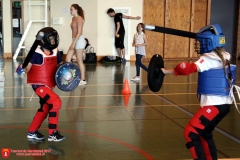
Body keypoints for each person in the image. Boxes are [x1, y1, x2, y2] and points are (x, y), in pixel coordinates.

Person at [160, 24, 236, 160]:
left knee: (191, 133)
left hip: (213, 106)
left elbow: (187, 69)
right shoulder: (225, 56)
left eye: (201, 42)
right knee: (204, 133)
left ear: (209, 42)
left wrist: (179, 66)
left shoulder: (208, 59)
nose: (199, 45)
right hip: (224, 106)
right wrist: (166, 72)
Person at [16, 27, 65, 142]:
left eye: (54, 38)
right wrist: (22, 68)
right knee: (55, 102)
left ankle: (32, 132)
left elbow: (60, 64)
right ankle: (53, 133)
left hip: (49, 84)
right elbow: (27, 67)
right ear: (43, 40)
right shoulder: (35, 53)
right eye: (51, 39)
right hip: (39, 85)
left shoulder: (55, 50)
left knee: (45, 107)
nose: (53, 41)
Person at [66, 4, 86, 85]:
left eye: (71, 9)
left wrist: (74, 43)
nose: (70, 11)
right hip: (74, 39)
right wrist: (73, 41)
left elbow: (79, 32)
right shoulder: (73, 18)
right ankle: (72, 77)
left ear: (76, 10)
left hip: (79, 40)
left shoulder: (79, 18)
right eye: (70, 9)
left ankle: (83, 80)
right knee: (67, 59)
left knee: (79, 60)